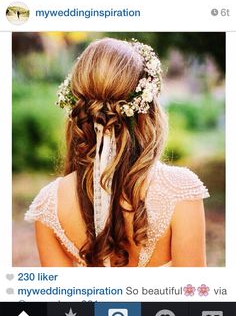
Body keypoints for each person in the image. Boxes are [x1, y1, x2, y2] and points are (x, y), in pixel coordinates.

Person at [25, 38, 209, 267]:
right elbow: (191, 298)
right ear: (148, 110)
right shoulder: (181, 190)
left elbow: (63, 302)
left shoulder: (49, 204)